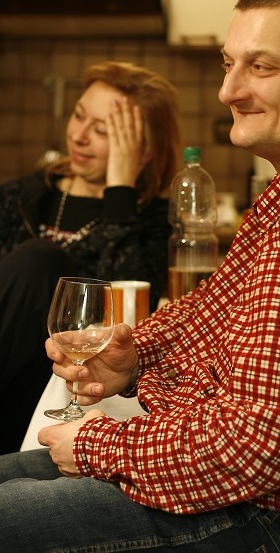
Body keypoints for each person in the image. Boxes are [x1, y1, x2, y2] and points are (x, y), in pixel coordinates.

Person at [0, 0, 280, 553]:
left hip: (260, 517)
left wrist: (96, 445)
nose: (228, 90)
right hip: (233, 490)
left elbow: (259, 444)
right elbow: (212, 311)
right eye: (228, 64)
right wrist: (136, 354)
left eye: (261, 67)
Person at [0, 60, 181, 454]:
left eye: (102, 131)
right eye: (79, 115)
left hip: (55, 395)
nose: (79, 136)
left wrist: (120, 192)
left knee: (41, 260)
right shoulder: (19, 198)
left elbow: (127, 315)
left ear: (145, 150)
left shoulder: (151, 223)